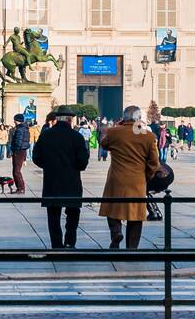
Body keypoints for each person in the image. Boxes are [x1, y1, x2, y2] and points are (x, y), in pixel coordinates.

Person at [98, 105, 160, 248]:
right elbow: (154, 162)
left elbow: (104, 144)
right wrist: (146, 176)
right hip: (137, 181)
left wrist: (117, 128)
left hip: (116, 179)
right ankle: (132, 248)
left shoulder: (114, 132)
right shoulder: (148, 136)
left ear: (123, 118)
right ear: (139, 118)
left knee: (112, 209)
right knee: (136, 216)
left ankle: (116, 232)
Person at [32, 106, 89, 248]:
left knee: (53, 214)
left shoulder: (46, 135)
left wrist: (48, 166)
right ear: (70, 120)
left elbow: (36, 157)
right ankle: (70, 241)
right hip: (72, 181)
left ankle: (56, 244)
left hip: (52, 180)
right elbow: (83, 161)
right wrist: (76, 167)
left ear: (56, 119)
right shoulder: (77, 137)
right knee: (73, 212)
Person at [10, 113, 31, 195]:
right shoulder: (24, 128)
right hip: (22, 151)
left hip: (18, 151)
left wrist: (14, 150)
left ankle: (21, 188)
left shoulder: (20, 129)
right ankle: (20, 188)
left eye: (14, 120)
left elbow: (18, 141)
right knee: (16, 170)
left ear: (17, 121)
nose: (14, 121)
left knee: (16, 171)